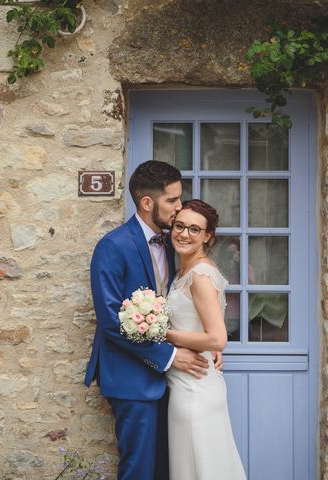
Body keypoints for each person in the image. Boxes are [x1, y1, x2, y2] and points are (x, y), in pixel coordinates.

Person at [84, 161, 220, 480]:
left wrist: (210, 341)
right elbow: (111, 321)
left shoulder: (174, 245)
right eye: (172, 201)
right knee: (139, 470)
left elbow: (183, 304)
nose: (179, 208)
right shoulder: (112, 247)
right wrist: (171, 357)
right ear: (148, 203)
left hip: (174, 384)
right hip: (132, 379)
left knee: (166, 469)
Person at [166, 199, 246, 480]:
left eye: (194, 230)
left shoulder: (200, 274)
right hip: (186, 382)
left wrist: (164, 335)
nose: (184, 234)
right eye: (179, 226)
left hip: (196, 391)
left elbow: (217, 338)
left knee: (203, 468)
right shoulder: (182, 271)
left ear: (207, 236)